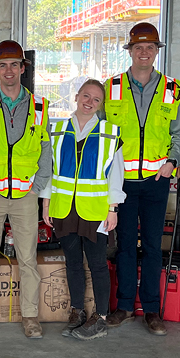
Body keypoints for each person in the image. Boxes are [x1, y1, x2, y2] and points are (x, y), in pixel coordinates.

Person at [102, 22, 180, 337]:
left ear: (156, 52)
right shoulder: (110, 88)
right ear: (129, 51)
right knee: (125, 246)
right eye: (138, 47)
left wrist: (172, 161)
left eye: (149, 47)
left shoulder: (171, 88)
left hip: (156, 181)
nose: (143, 52)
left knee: (153, 247)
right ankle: (124, 306)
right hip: (121, 183)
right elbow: (101, 135)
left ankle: (152, 310)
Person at [0, 40, 52, 339]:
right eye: (2, 65)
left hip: (25, 196)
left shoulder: (40, 107)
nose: (8, 70)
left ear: (22, 68)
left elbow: (45, 151)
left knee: (28, 260)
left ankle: (30, 317)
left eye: (14, 64)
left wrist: (37, 188)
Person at [41, 80, 125, 340]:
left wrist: (113, 208)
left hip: (96, 209)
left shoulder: (110, 133)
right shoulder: (56, 130)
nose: (89, 102)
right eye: (85, 96)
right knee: (73, 263)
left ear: (101, 104)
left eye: (96, 99)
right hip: (63, 207)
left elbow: (116, 175)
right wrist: (46, 202)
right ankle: (77, 312)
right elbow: (50, 170)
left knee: (98, 264)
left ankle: (100, 317)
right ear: (77, 97)